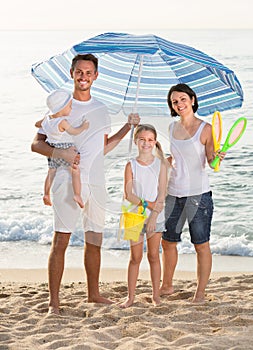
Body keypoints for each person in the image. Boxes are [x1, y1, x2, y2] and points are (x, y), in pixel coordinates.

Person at [31, 53, 140, 315]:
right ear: (71, 73)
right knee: (62, 240)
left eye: (89, 72)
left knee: (94, 239)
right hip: (67, 180)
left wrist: (128, 127)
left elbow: (103, 147)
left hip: (97, 181)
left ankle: (94, 294)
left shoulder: (101, 109)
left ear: (96, 76)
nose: (84, 76)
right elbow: (36, 144)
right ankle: (53, 302)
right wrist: (62, 154)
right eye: (79, 71)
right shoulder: (59, 107)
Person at [160, 83, 225, 303]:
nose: (179, 104)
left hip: (199, 195)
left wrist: (218, 157)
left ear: (193, 100)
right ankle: (166, 286)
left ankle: (200, 293)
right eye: (174, 101)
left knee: (201, 244)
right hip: (173, 192)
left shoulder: (205, 129)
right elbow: (174, 159)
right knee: (168, 242)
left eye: (182, 99)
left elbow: (211, 162)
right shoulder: (171, 128)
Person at [120, 124, 168, 308]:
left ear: (154, 142)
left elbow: (162, 194)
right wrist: (147, 204)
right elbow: (128, 195)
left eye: (150, 140)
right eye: (142, 139)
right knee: (135, 258)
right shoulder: (130, 165)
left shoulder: (161, 165)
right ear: (136, 141)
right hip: (133, 215)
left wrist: (154, 217)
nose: (146, 143)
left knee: (154, 256)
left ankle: (156, 296)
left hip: (156, 216)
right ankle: (130, 297)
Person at [35, 89, 89, 208]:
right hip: (65, 148)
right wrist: (84, 126)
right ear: (61, 109)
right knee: (75, 171)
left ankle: (46, 194)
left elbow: (36, 124)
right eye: (69, 106)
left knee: (51, 172)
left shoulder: (46, 120)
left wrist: (45, 122)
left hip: (52, 150)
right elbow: (74, 132)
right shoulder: (62, 122)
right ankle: (77, 194)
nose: (71, 109)